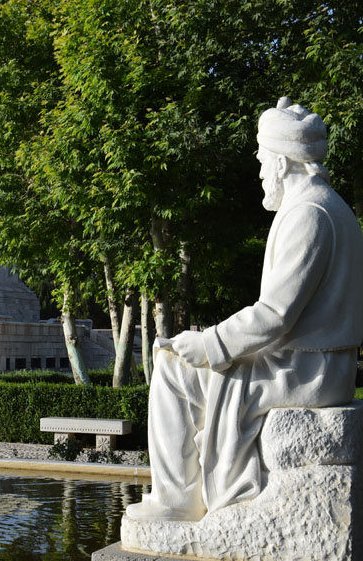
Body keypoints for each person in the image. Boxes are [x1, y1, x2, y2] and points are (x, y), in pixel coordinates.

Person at [127, 97, 363, 522]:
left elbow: (275, 315)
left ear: (282, 161)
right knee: (182, 360)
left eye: (262, 159)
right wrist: (212, 339)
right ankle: (180, 495)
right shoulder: (328, 207)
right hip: (318, 363)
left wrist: (209, 343)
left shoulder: (309, 213)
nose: (258, 170)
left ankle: (177, 502)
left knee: (173, 368)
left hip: (306, 371)